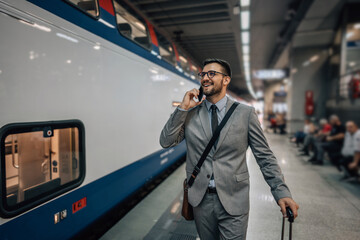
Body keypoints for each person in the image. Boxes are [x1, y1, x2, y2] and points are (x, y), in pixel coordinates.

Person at [160, 58, 299, 239]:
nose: (205, 78)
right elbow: (166, 141)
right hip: (201, 200)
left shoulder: (245, 113)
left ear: (226, 80)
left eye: (212, 74)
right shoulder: (190, 114)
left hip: (234, 197)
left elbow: (264, 156)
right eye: (203, 74)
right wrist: (183, 108)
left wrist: (281, 192)